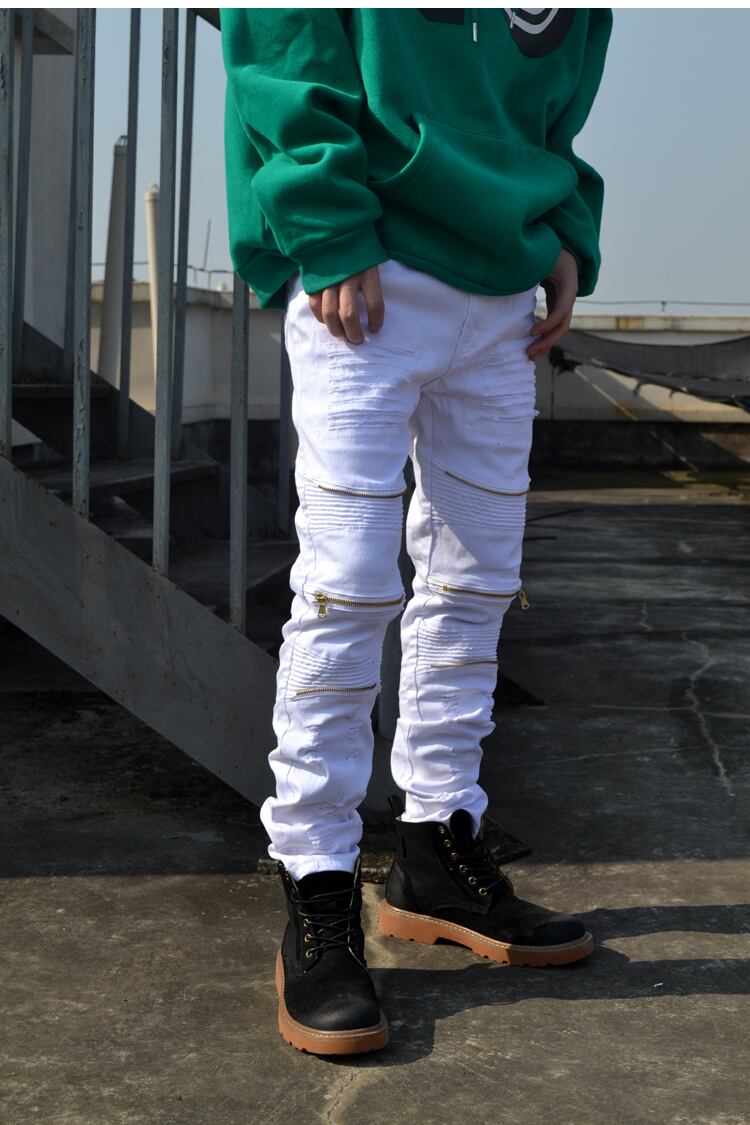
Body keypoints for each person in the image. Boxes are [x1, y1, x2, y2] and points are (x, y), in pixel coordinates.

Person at [221, 7, 612, 1056]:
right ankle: (317, 877)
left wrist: (565, 228)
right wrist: (327, 221)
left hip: (505, 291)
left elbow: (554, 92)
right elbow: (282, 33)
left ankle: (439, 846)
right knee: (347, 586)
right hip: (371, 265)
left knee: (477, 582)